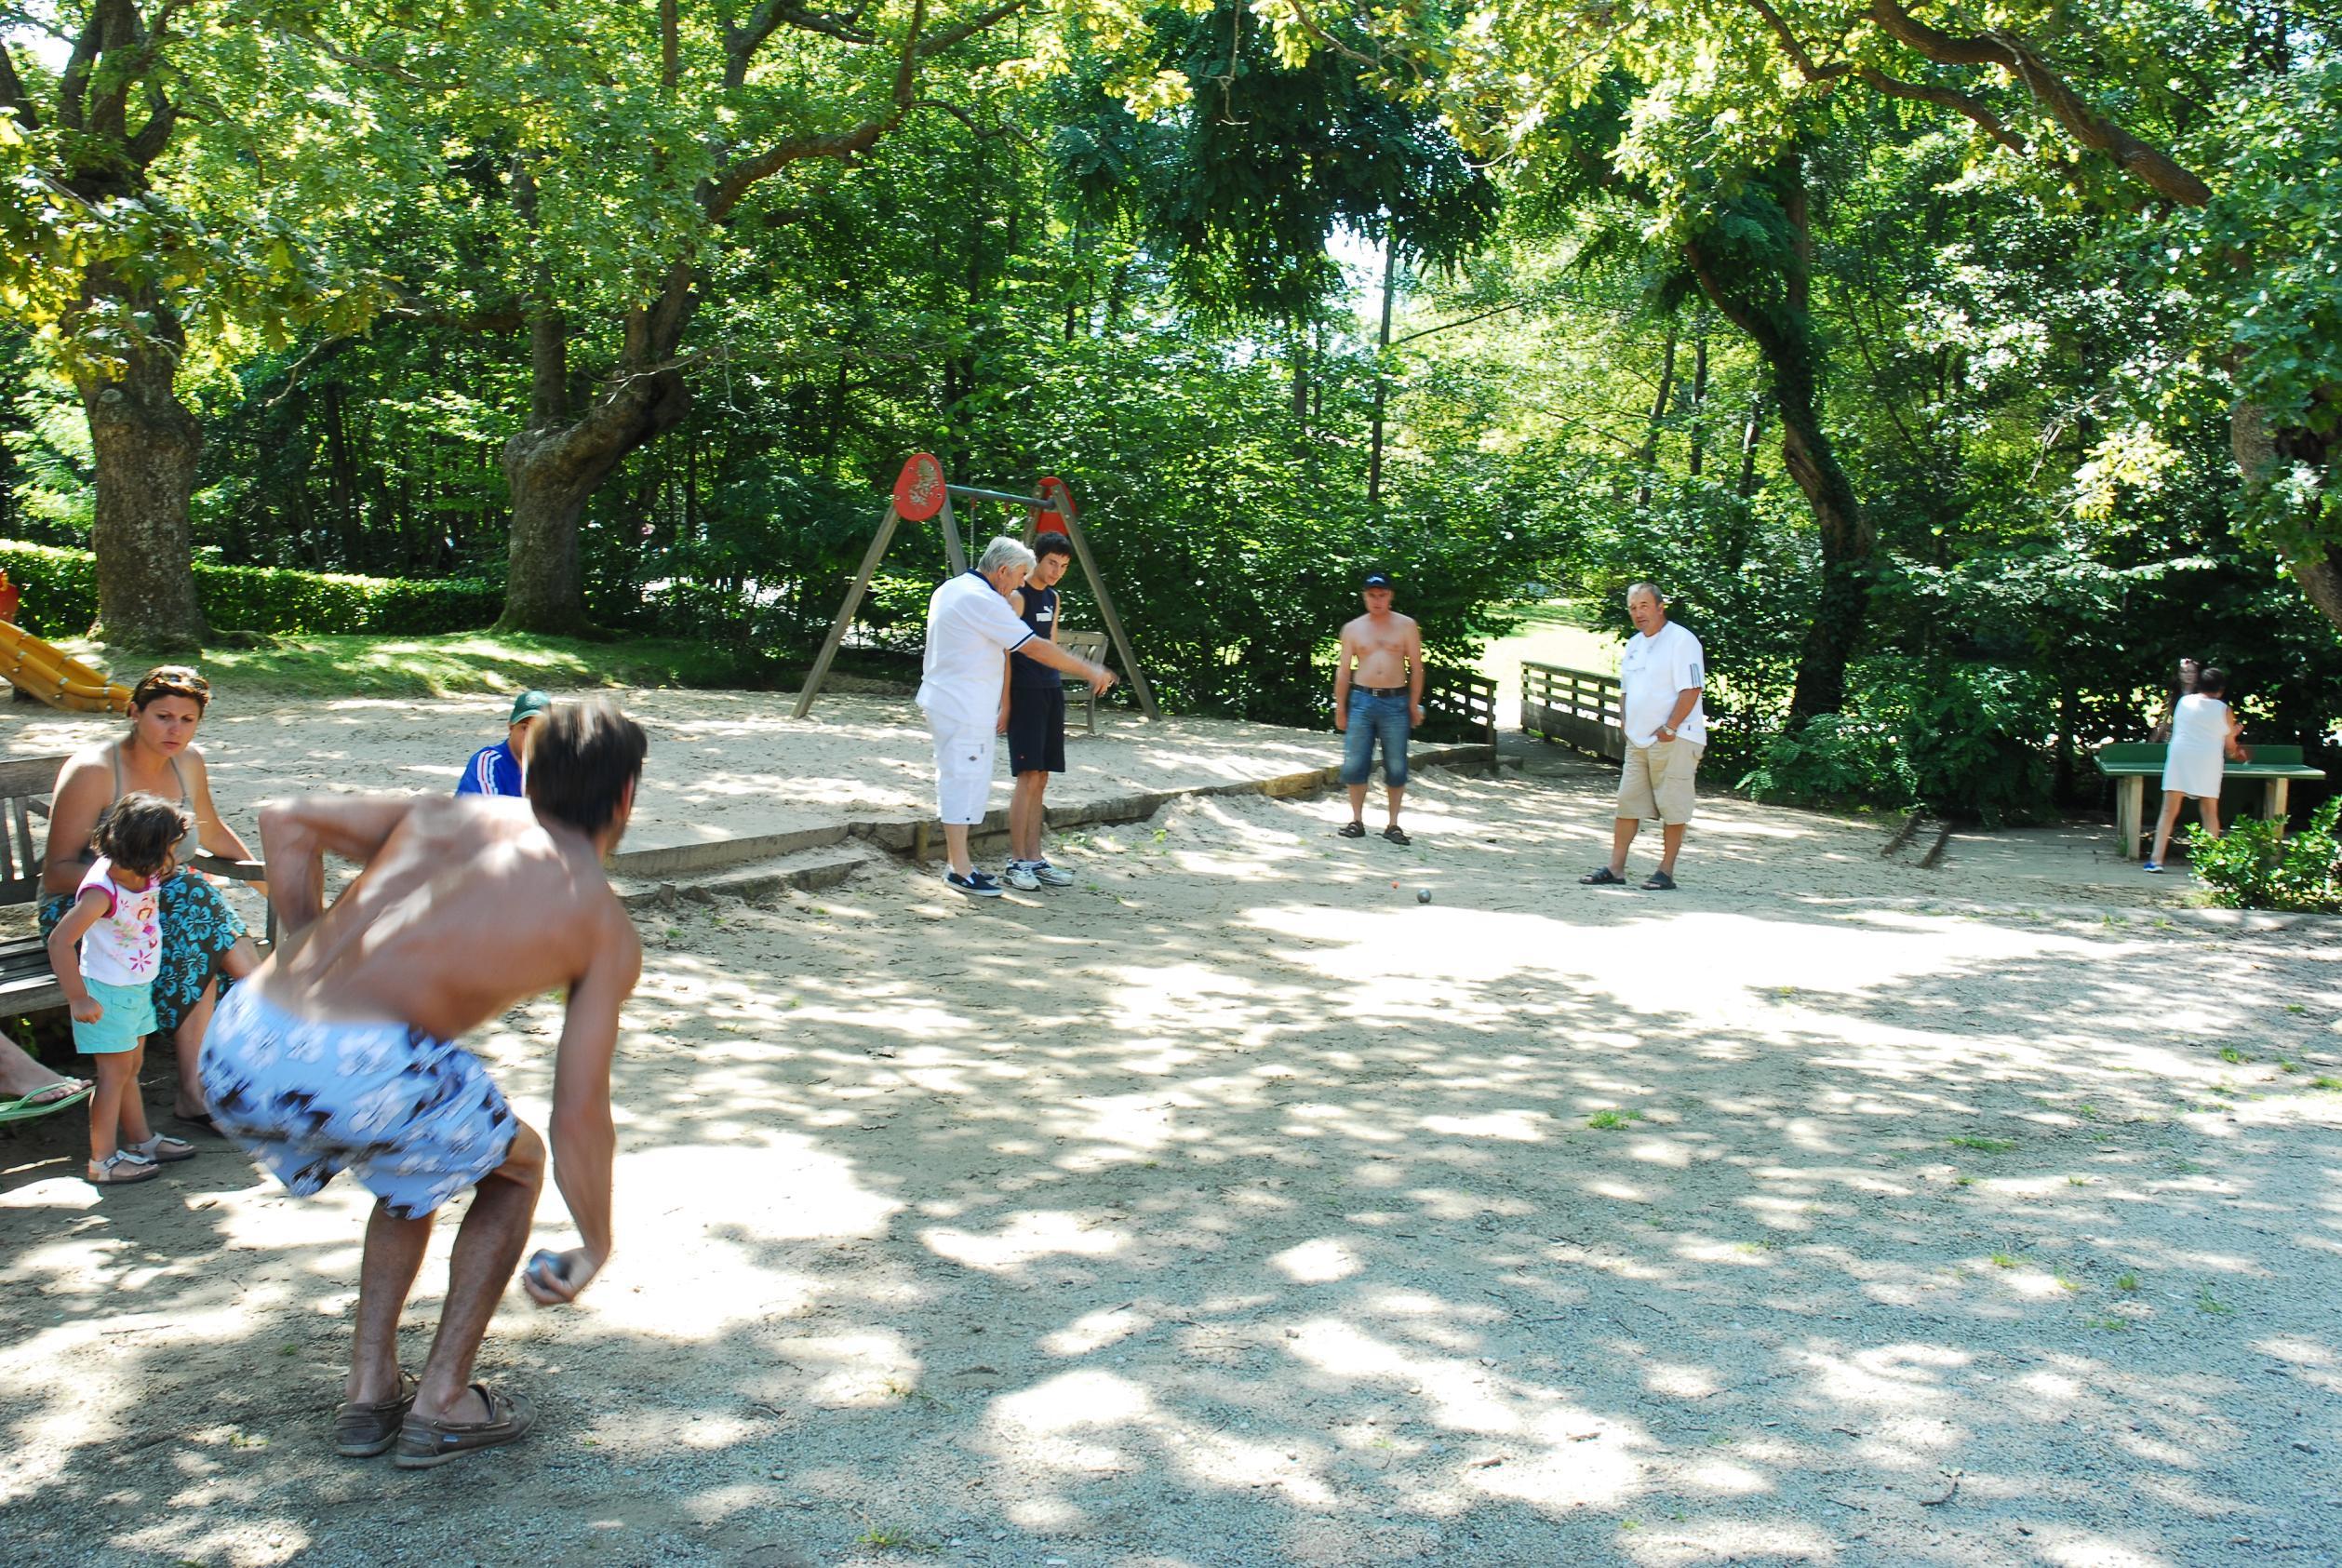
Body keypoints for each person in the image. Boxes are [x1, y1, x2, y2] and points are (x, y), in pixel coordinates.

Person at [199, 701, 647, 1468]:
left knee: (418, 1162)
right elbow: (579, 1111)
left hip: (239, 1038)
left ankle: (370, 1389)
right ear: (626, 795)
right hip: (359, 1063)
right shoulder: (602, 925)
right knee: (518, 1164)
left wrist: (304, 940)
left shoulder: (449, 814)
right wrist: (596, 1240)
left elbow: (284, 820)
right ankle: (443, 1400)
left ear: (530, 774)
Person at [40, 665, 263, 1126]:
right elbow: (58, 872)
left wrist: (271, 885)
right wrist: (143, 882)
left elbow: (213, 831)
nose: (174, 729)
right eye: (163, 716)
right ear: (134, 712)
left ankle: (201, 1087)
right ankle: (274, 1014)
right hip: (88, 913)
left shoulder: (189, 762)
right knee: (192, 903)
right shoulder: (95, 771)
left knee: (192, 918)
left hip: (163, 908)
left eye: (187, 720)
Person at [917, 537, 1117, 897]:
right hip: (962, 703)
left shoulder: (954, 587)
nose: (1021, 583)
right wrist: (1090, 670)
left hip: (954, 699)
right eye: (1021, 574)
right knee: (962, 779)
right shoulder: (983, 600)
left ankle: (962, 864)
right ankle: (959, 868)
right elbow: (1035, 647)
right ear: (1003, 570)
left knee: (965, 778)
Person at [47, 794, 202, 1186]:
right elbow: (60, 941)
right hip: (106, 993)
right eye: (171, 846)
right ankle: (102, 1161)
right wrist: (78, 997)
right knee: (113, 1075)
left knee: (130, 1068)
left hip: (134, 986)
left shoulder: (142, 872)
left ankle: (141, 1141)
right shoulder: (101, 891)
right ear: (150, 849)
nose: (175, 854)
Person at [1582, 582, 1706, 891]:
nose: (1638, 614)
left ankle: (1665, 871)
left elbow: (1692, 688)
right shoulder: (1634, 644)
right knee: (1627, 804)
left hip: (1675, 739)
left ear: (1661, 607)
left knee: (1673, 806)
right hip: (1638, 741)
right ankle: (1616, 867)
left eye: (1644, 606)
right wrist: (1625, 722)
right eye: (1633, 608)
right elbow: (1626, 690)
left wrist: (1670, 727)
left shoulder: (1681, 641)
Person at [1001, 533, 1077, 891]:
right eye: (1051, 563)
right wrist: (1005, 703)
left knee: (1042, 776)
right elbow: (1005, 653)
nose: (1056, 571)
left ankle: (1035, 858)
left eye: (1063, 566)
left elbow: (1050, 644)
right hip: (1025, 693)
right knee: (1026, 775)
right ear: (1037, 559)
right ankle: (1017, 862)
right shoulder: (1017, 597)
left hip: (1051, 691)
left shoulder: (1054, 597)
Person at [1332, 571, 1424, 845]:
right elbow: (1343, 669)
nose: (1377, 600)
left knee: (1396, 764)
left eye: (1382, 595)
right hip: (1362, 699)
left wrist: (1413, 703)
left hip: (1395, 700)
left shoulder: (1406, 626)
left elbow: (1416, 667)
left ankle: (1393, 824)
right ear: (1364, 596)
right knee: (1355, 762)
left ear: (1390, 596)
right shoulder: (1353, 628)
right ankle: (1356, 820)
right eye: (1372, 595)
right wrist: (1340, 707)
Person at [2145, 666, 2247, 873]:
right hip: (2207, 760)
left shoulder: (2184, 702)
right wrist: (2235, 737)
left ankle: (2156, 860)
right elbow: (2230, 748)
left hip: (2180, 757)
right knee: (2209, 810)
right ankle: (2209, 863)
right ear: (2220, 689)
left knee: (2168, 810)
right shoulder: (2224, 709)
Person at [456, 689, 552, 797]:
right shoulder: (488, 762)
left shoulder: (555, 766)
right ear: (511, 727)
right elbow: (486, 808)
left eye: (539, 729)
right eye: (525, 728)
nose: (531, 736)